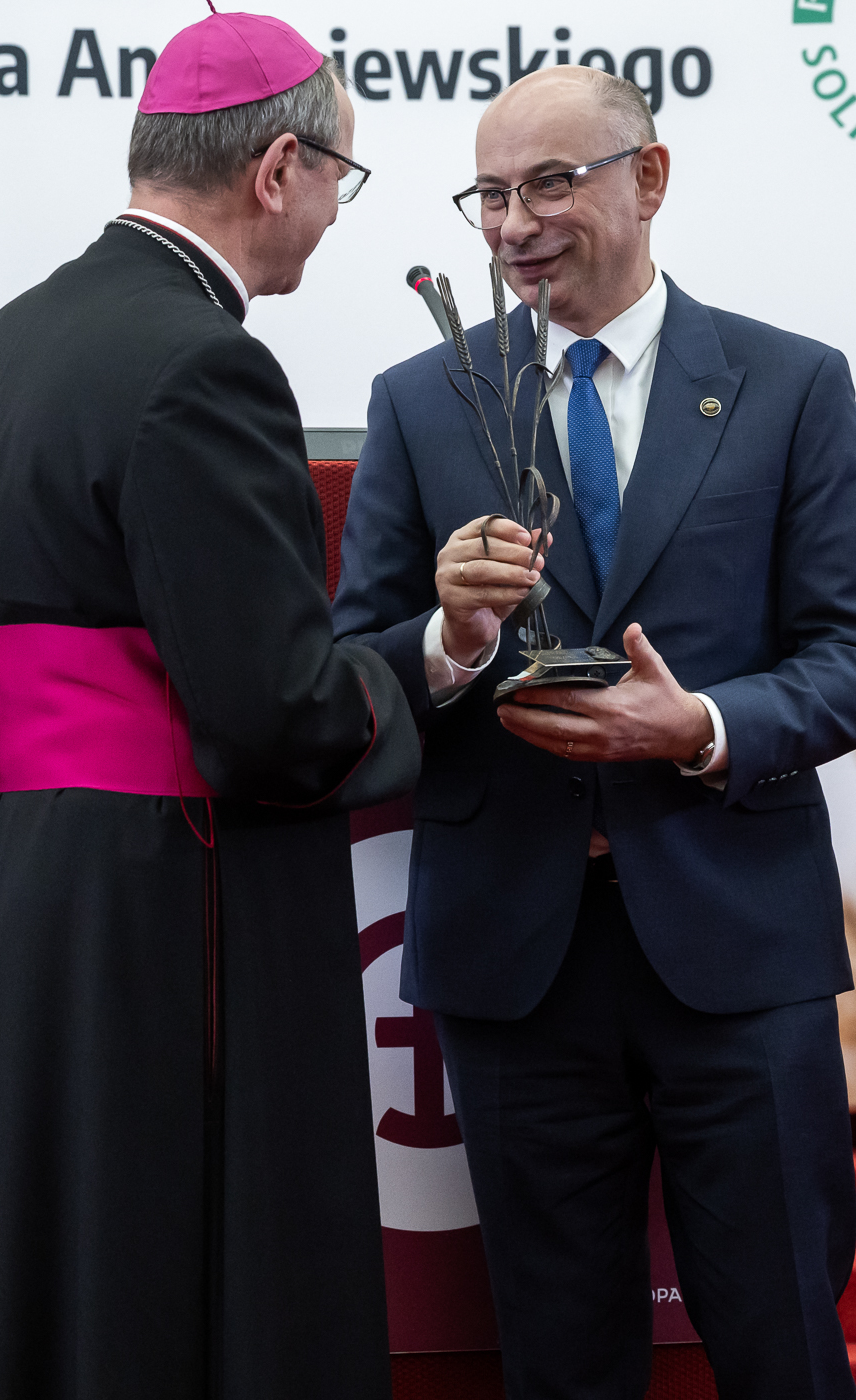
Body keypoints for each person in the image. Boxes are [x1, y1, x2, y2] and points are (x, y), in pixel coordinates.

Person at [333, 64, 856, 1399]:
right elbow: (351, 673)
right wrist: (449, 636)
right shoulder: (423, 398)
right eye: (490, 195)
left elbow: (845, 653)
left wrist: (702, 725)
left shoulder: (793, 385)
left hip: (739, 950)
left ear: (650, 178)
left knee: (787, 1344)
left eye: (549, 184)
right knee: (561, 1362)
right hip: (516, 961)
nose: (513, 225)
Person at [0, 10, 420, 1400]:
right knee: (176, 1279)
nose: (334, 212)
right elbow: (276, 717)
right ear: (278, 168)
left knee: (43, 1258)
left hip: (21, 885)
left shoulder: (5, 341)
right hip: (170, 901)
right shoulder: (206, 362)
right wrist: (422, 672)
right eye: (339, 176)